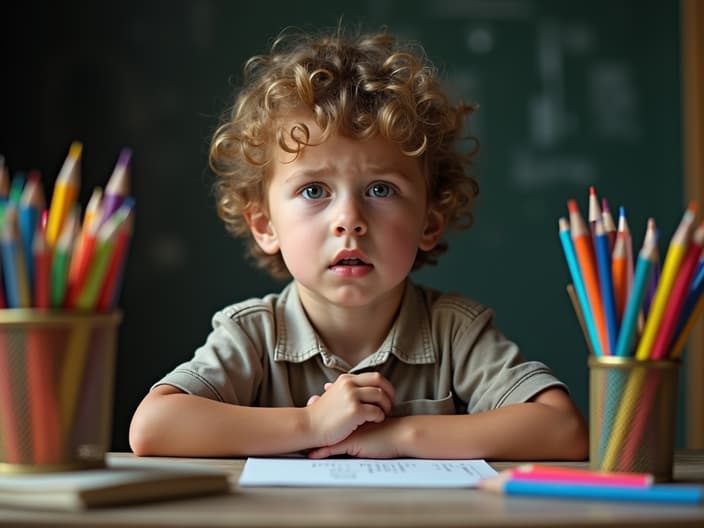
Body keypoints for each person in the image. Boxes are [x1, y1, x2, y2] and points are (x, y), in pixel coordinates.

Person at [129, 26, 588, 460]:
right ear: (265, 225)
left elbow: (562, 430)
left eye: (381, 190)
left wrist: (398, 435)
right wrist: (311, 424)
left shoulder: (455, 331)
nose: (349, 220)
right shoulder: (253, 334)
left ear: (429, 221)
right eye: (314, 191)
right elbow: (153, 427)